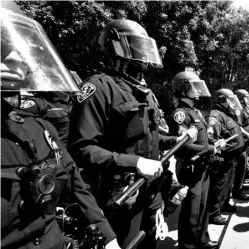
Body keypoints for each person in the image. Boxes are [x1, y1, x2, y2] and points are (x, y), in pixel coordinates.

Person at [67, 18, 195, 248]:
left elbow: (150, 139)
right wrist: (134, 162)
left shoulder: (145, 93)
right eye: (137, 47)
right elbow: (81, 148)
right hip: (121, 195)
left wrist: (175, 140)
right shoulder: (99, 88)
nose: (144, 56)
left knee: (150, 242)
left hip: (151, 191)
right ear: (118, 48)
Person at [1, 5, 119, 249]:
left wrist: (108, 236)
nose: (16, 58)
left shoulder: (40, 127)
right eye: (2, 47)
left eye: (17, 48)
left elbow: (76, 183)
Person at [167, 71, 223, 249]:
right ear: (183, 88)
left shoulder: (195, 111)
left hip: (202, 166)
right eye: (193, 85)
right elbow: (182, 146)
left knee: (202, 206)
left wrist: (214, 142)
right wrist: (210, 149)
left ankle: (202, 240)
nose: (198, 89)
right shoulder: (180, 114)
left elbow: (202, 137)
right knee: (191, 211)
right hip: (190, 167)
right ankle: (188, 245)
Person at [207, 89, 245, 225]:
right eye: (229, 99)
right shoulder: (215, 115)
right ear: (222, 99)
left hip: (231, 158)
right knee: (218, 185)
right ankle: (213, 213)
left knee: (227, 184)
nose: (232, 102)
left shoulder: (227, 113)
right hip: (222, 158)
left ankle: (225, 204)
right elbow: (211, 136)